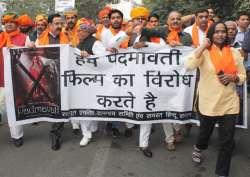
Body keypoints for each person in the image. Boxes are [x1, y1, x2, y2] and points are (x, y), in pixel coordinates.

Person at [185, 22, 246, 177]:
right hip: (208, 102)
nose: (220, 34)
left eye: (223, 32)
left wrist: (234, 77)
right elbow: (189, 65)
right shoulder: (204, 52)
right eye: (217, 31)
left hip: (229, 103)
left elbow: (243, 76)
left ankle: (221, 173)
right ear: (211, 34)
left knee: (227, 141)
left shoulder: (234, 52)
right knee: (205, 133)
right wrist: (202, 47)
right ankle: (199, 148)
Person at [76, 18, 112, 146]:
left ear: (87, 32)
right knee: (83, 108)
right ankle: (87, 134)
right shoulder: (78, 44)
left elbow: (104, 59)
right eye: (78, 30)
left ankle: (92, 127)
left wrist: (89, 57)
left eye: (81, 30)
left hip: (94, 81)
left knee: (92, 106)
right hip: (82, 82)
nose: (78, 32)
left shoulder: (95, 43)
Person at [36, 13, 69, 151]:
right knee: (51, 103)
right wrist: (31, 46)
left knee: (60, 103)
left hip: (63, 76)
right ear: (49, 25)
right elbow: (35, 56)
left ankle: (56, 134)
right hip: (47, 77)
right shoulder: (40, 40)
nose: (59, 26)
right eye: (56, 23)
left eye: (61, 23)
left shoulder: (66, 38)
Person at [100, 9, 134, 138]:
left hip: (127, 70)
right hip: (111, 71)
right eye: (113, 17)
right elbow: (108, 47)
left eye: (118, 17)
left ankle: (129, 125)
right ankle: (112, 126)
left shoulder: (129, 33)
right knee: (113, 99)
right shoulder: (105, 33)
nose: (115, 20)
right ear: (109, 20)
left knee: (128, 98)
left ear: (122, 19)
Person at [0, 12, 31, 147]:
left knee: (12, 108)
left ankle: (16, 135)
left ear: (17, 24)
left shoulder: (25, 38)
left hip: (15, 79)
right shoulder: (1, 37)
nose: (9, 23)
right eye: (7, 21)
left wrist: (19, 48)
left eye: (12, 21)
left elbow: (30, 56)